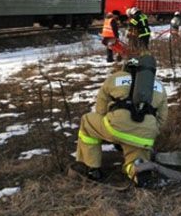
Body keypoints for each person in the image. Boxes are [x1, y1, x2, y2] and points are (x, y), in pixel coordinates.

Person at [71, 37, 168, 187]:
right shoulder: (159, 86)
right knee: (134, 157)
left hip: (116, 127)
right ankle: (137, 171)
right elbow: (162, 120)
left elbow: (100, 110)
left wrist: (117, 126)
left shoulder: (115, 78)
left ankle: (92, 168)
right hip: (145, 136)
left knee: (87, 121)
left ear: (125, 67)